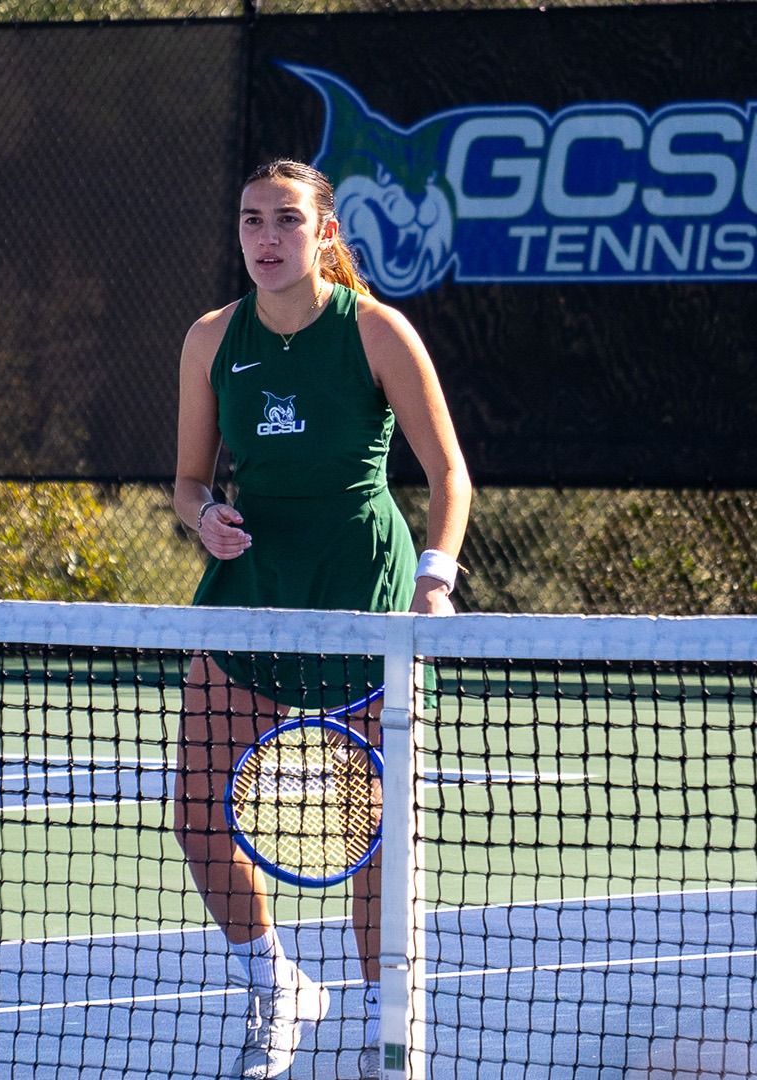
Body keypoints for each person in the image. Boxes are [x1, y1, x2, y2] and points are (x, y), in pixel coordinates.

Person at [172, 159, 470, 1080]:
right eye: (252, 221)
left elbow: (449, 474)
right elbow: (187, 482)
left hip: (365, 597)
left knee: (372, 834)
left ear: (325, 235)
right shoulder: (211, 339)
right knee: (194, 812)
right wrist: (202, 517)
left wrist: (434, 578)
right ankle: (277, 983)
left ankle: (393, 1025)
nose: (267, 239)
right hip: (252, 594)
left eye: (287, 222)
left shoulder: (377, 333)